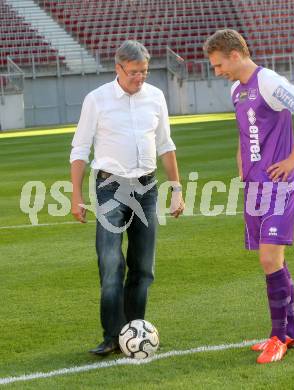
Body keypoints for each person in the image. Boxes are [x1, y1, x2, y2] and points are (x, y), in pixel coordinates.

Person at [203, 29, 294, 364]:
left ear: (235, 55)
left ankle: (277, 338)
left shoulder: (268, 81)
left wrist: (293, 159)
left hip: (279, 186)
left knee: (270, 259)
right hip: (255, 187)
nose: (217, 72)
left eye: (218, 64)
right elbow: (245, 131)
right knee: (274, 261)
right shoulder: (236, 90)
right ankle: (292, 333)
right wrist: (242, 164)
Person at [70, 41, 185, 356]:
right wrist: (76, 194)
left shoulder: (156, 97)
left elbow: (166, 144)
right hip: (110, 188)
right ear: (117, 69)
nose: (140, 78)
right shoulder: (97, 100)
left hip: (147, 189)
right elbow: (80, 149)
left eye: (144, 72)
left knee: (143, 267)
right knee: (111, 264)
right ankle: (111, 336)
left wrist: (176, 190)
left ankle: (133, 332)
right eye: (134, 72)